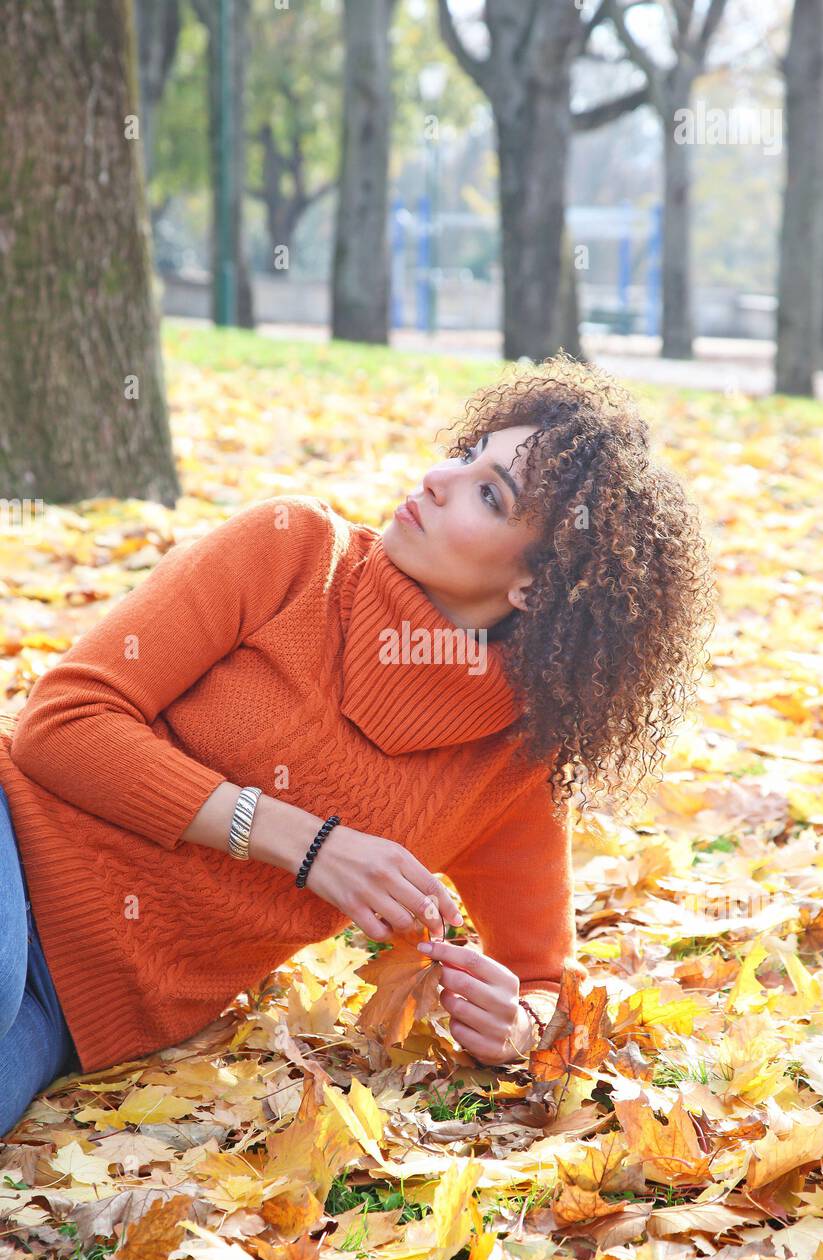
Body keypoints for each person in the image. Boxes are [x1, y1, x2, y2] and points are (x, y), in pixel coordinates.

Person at [0, 353, 715, 1137]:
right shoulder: (291, 552)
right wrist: (308, 845)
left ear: (535, 588)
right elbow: (62, 722)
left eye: (488, 493)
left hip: (76, 1012)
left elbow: (544, 979)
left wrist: (513, 1028)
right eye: (465, 454)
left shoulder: (513, 764)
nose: (441, 478)